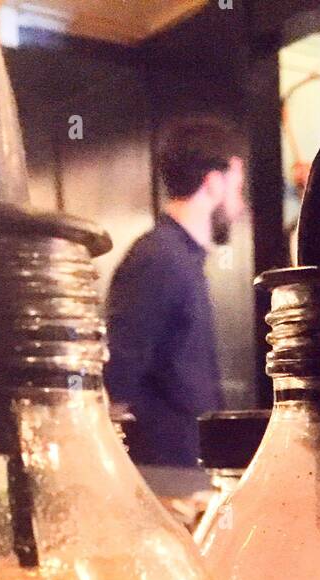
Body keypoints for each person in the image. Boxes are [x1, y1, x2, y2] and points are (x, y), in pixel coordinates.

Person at [105, 117, 245, 469]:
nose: (240, 206)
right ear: (213, 183)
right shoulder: (161, 258)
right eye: (238, 190)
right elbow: (116, 375)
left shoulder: (175, 256)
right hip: (166, 473)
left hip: (181, 469)